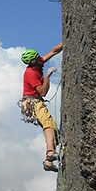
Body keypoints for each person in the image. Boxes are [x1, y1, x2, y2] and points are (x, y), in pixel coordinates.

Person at [19, 42, 63, 172]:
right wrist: (48, 77)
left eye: (38, 57)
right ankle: (50, 152)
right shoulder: (31, 73)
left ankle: (48, 163)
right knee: (48, 123)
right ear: (32, 62)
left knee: (54, 129)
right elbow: (43, 92)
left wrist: (67, 41)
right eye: (37, 59)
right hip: (32, 102)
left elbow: (54, 51)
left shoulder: (38, 63)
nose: (40, 59)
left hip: (35, 101)